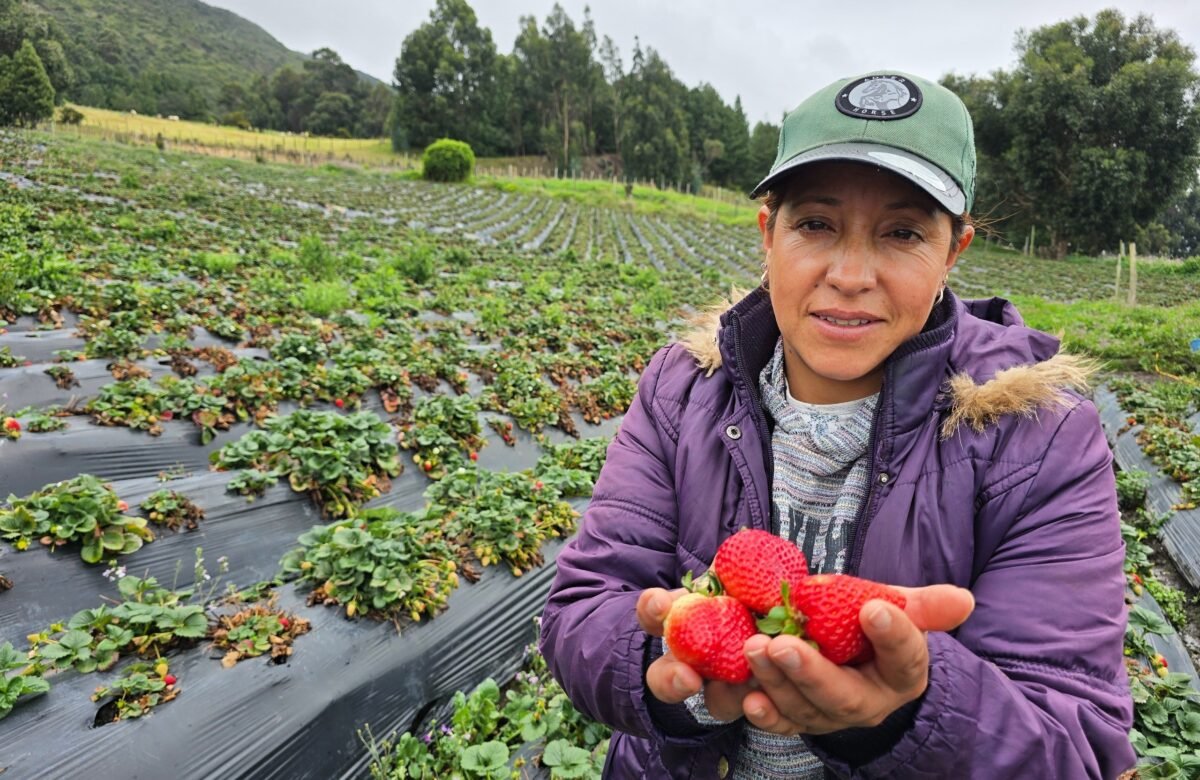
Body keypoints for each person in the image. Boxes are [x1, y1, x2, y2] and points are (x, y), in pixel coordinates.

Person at [539, 70, 1135, 779]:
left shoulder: (1038, 438)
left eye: (903, 232)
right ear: (769, 234)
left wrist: (908, 711)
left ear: (953, 251)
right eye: (816, 224)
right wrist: (673, 672)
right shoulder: (681, 390)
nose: (850, 274)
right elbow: (579, 611)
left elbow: (1076, 743)